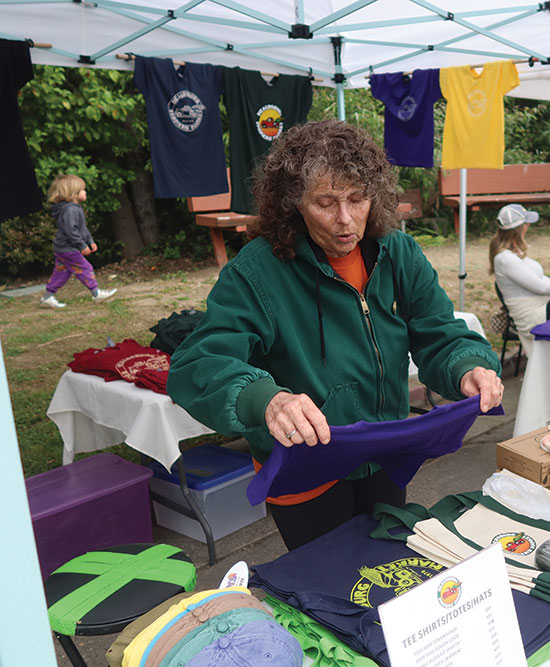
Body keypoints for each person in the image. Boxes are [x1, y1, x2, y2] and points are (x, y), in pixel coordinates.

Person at [167, 120, 503, 552]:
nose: (345, 220)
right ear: (295, 204)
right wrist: (266, 399)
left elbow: (439, 332)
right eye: (326, 203)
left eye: (357, 200)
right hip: (305, 466)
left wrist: (467, 366)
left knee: (385, 569)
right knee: (325, 587)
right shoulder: (257, 272)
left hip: (384, 451)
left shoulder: (398, 253)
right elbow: (198, 363)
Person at [489, 204, 550, 357]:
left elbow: (540, 279)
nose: (529, 225)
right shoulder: (505, 259)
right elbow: (540, 286)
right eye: (526, 222)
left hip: (540, 307)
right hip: (530, 317)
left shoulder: (513, 253)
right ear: (519, 228)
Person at [40, 174, 117, 308]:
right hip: (68, 249)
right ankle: (96, 293)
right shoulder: (70, 210)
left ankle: (47, 297)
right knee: (85, 268)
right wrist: (81, 245)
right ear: (73, 193)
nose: (85, 192)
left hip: (62, 248)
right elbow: (71, 231)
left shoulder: (74, 209)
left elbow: (81, 228)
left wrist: (89, 240)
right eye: (83, 190)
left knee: (61, 273)